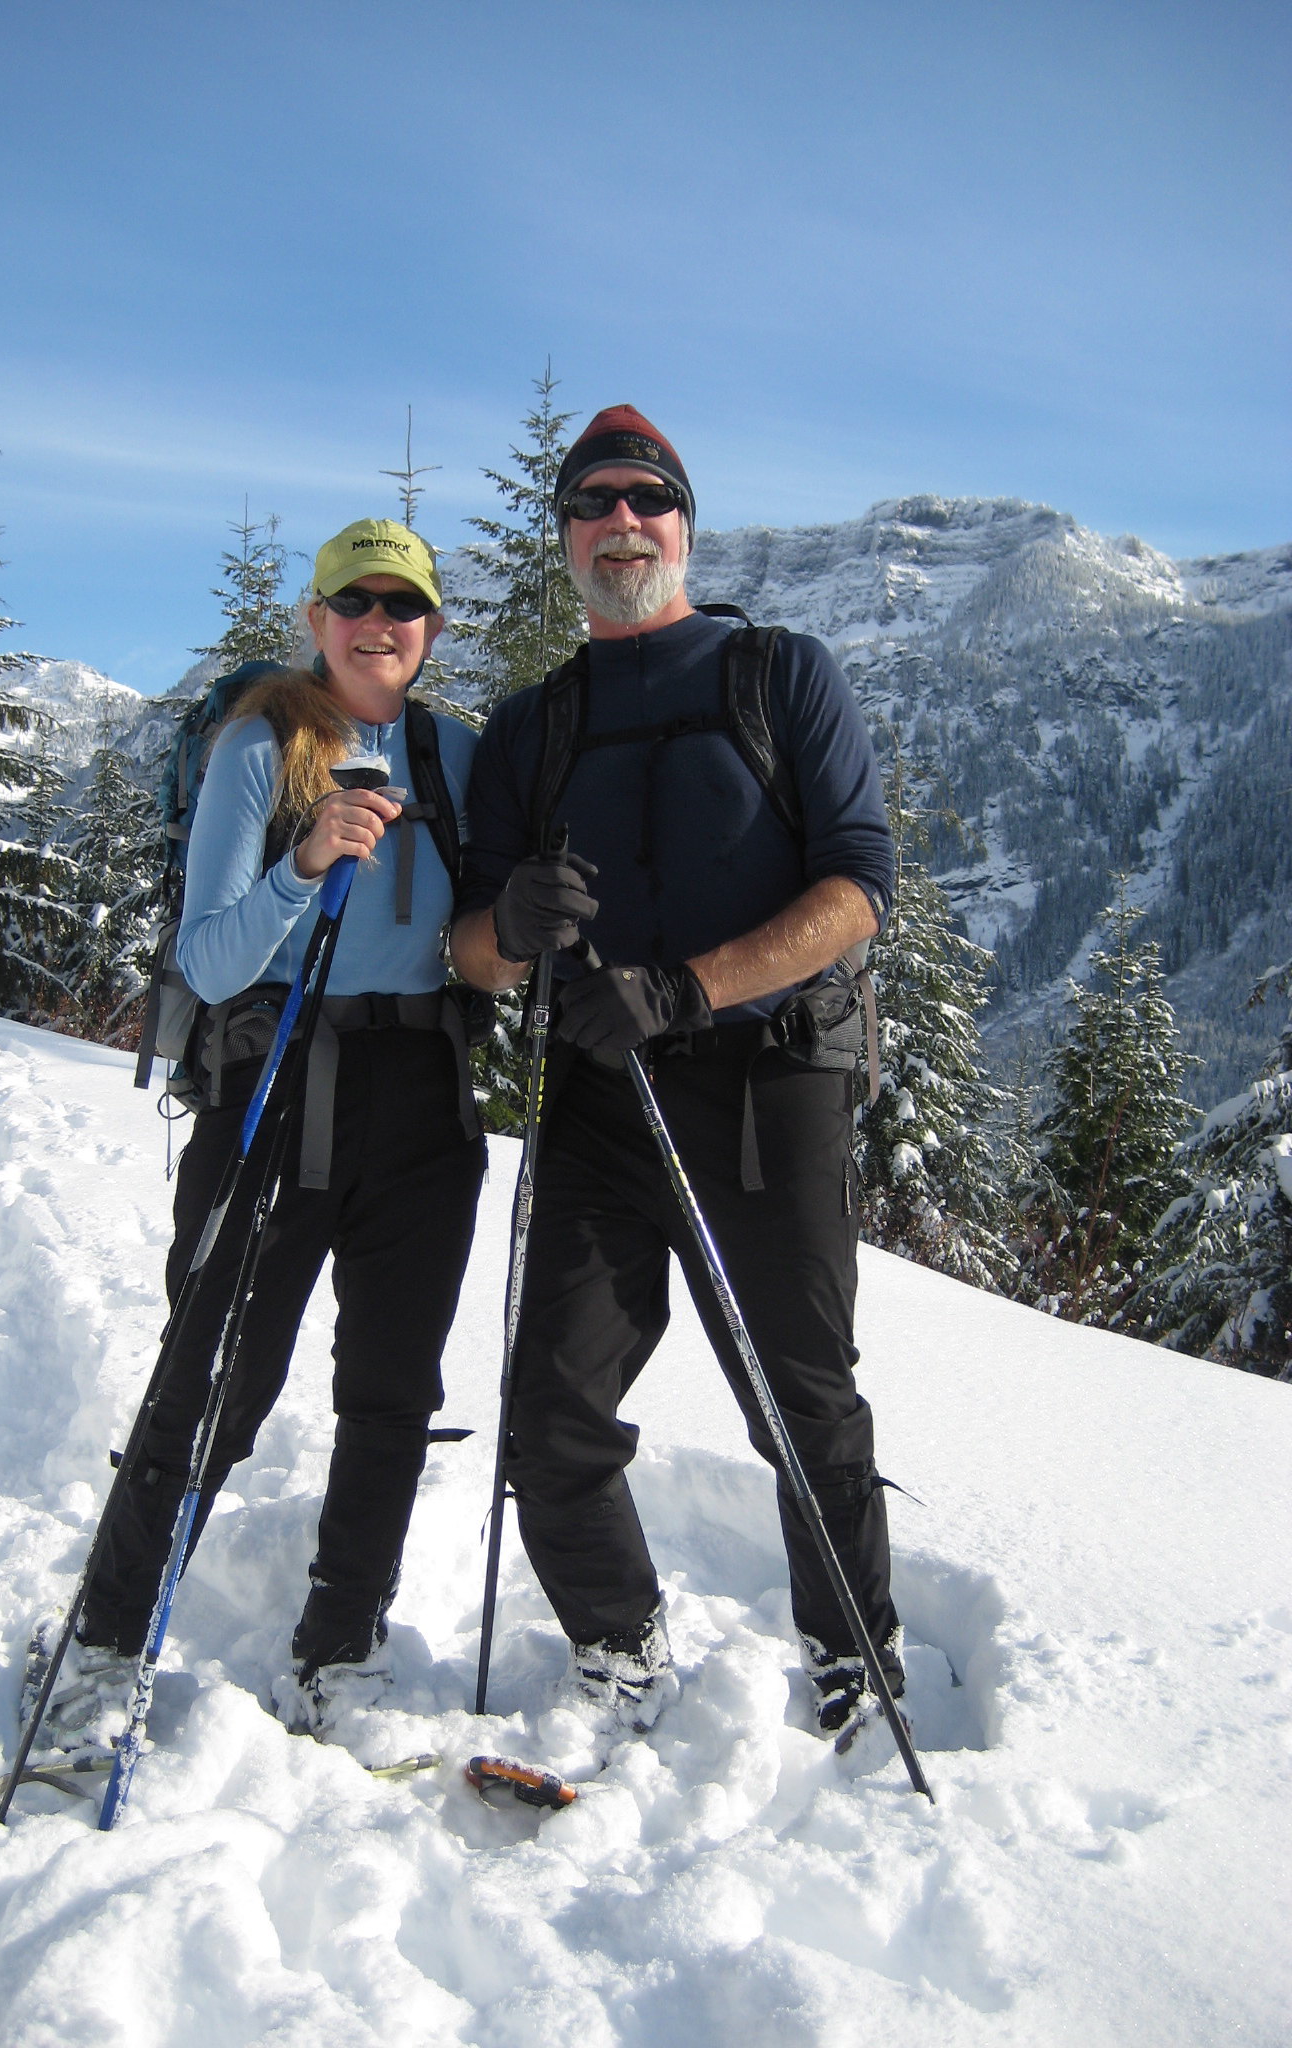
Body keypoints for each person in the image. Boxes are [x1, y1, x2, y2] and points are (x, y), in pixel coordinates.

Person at [450, 406, 903, 1745]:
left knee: (801, 1400)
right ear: (567, 541)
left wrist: (690, 983)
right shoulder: (532, 729)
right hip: (596, 1102)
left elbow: (861, 888)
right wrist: (511, 926)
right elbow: (472, 956)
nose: (621, 519)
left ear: (683, 524)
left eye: (647, 497)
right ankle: (618, 1639)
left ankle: (851, 1655)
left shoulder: (779, 673)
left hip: (771, 1088)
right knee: (548, 1408)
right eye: (592, 502)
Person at [41, 518, 484, 1748]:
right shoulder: (262, 747)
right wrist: (303, 860)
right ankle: (103, 1638)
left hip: (423, 1097)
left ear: (431, 626)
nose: (379, 622)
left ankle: (342, 1644)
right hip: (275, 1080)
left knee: (391, 1389)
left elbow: (483, 933)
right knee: (216, 1375)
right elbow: (211, 955)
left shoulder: (455, 754)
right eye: (357, 600)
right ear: (318, 618)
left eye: (405, 604)